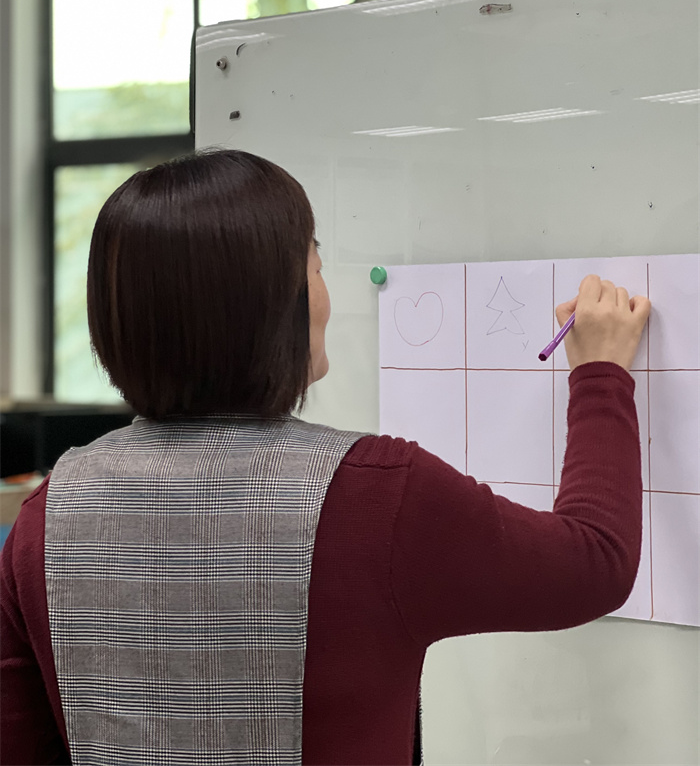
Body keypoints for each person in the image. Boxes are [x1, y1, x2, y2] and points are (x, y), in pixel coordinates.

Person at [0, 149, 651, 766]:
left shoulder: (44, 517)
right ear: (272, 304)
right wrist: (600, 373)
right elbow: (594, 561)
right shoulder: (378, 496)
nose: (326, 291)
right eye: (315, 266)